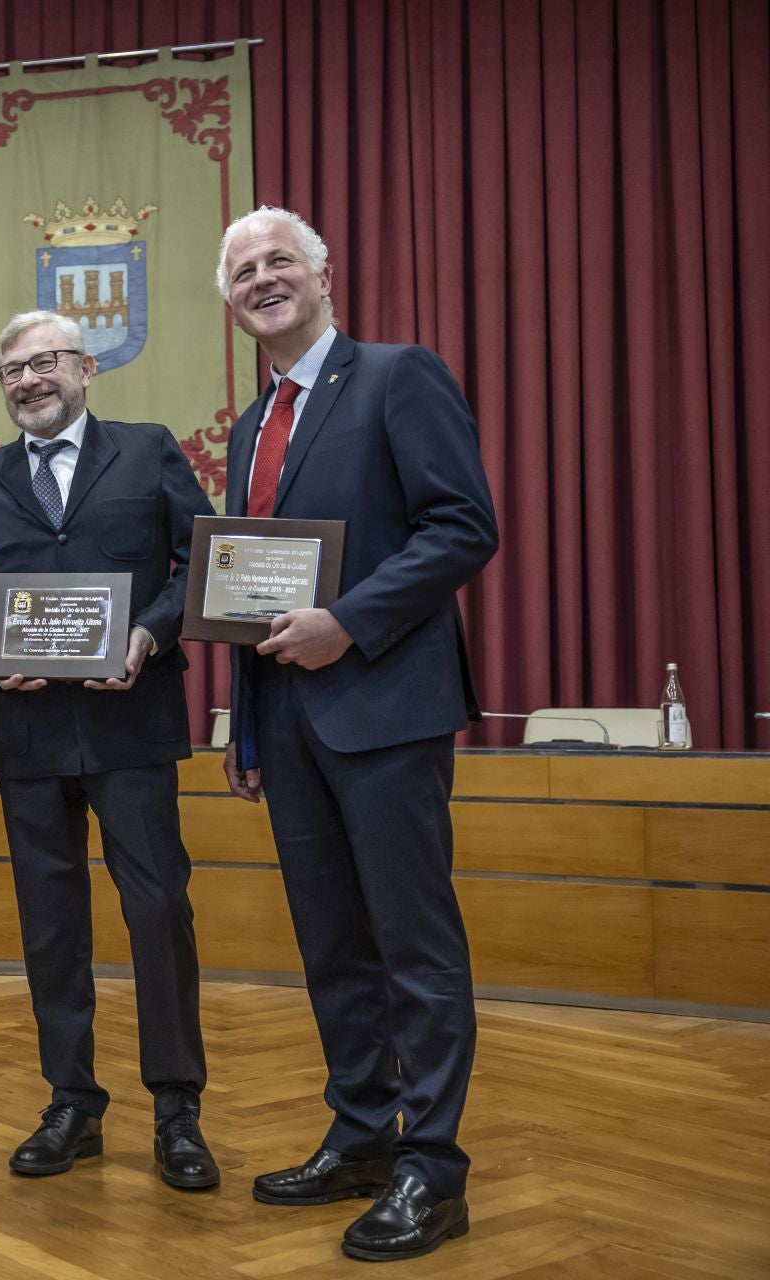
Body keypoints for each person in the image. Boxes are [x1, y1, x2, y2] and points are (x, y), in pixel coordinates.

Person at [216, 206, 498, 1261]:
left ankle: (435, 1165)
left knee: (414, 945)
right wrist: (245, 727)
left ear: (323, 275)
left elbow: (465, 525)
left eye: (278, 259)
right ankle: (362, 1130)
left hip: (386, 710)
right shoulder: (249, 426)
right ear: (230, 301)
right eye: (242, 270)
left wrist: (351, 621)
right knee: (332, 944)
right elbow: (248, 587)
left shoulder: (396, 374)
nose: (261, 278)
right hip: (286, 724)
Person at [0, 309, 220, 1187]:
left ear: (84, 367)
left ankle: (177, 1108)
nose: (29, 381)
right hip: (28, 734)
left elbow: (200, 564)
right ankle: (72, 1099)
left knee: (158, 914)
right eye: (12, 371)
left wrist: (148, 632)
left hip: (131, 726)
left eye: (44, 364)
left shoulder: (147, 450)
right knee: (51, 927)